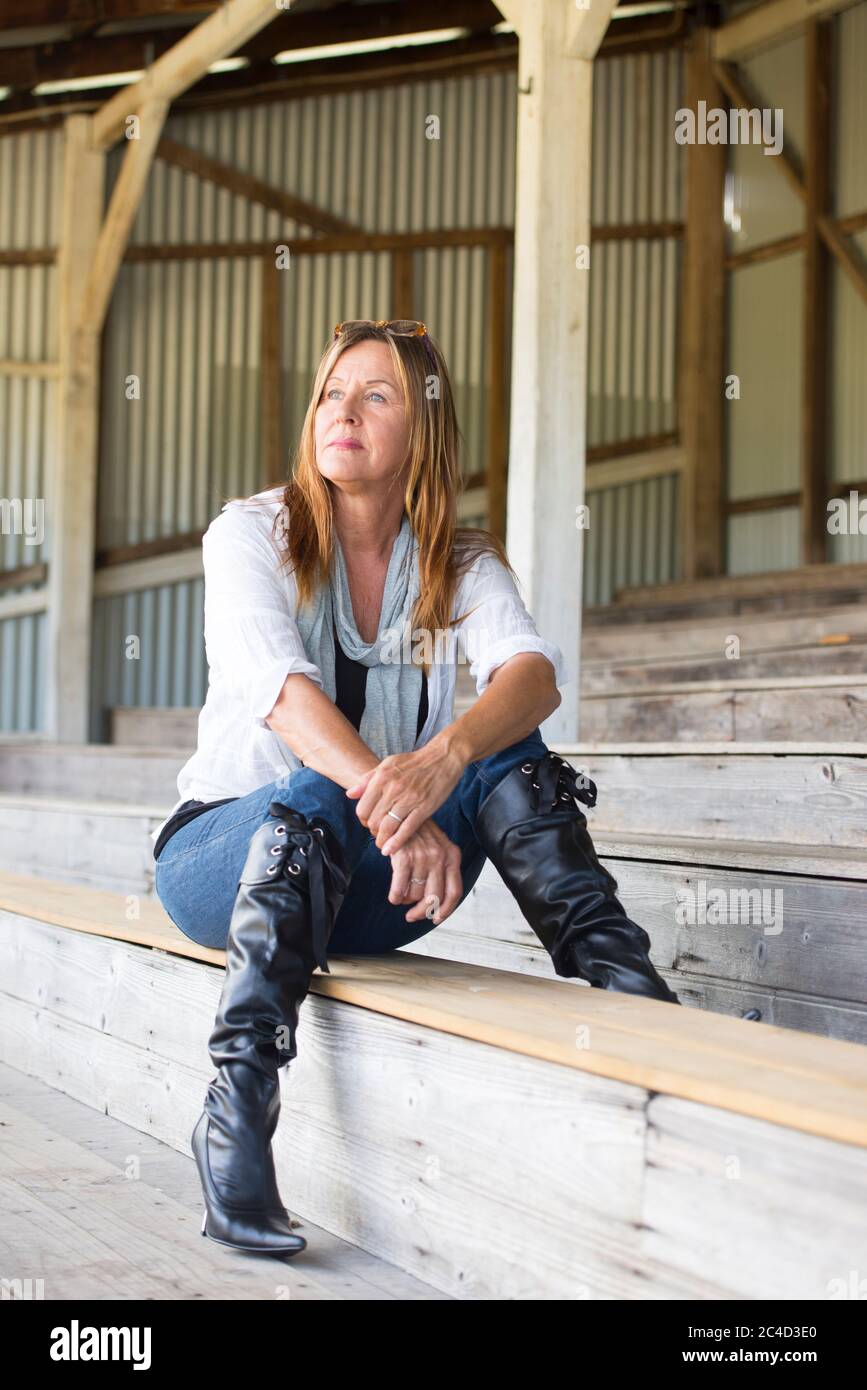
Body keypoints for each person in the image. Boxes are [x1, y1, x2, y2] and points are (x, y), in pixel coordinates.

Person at [153, 318, 679, 1262]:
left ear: (422, 432)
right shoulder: (253, 534)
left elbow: (532, 674)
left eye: (376, 395)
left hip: (370, 887)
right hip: (222, 864)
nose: (341, 411)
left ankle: (628, 997)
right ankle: (233, 1120)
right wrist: (396, 808)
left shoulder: (459, 562)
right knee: (314, 792)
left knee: (507, 755)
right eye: (330, 393)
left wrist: (444, 761)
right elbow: (278, 695)